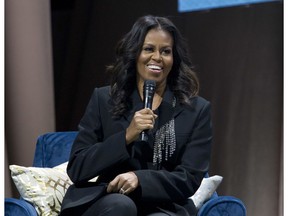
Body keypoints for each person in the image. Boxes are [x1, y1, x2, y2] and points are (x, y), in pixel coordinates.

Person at [60, 15, 212, 216]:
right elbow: (78, 168)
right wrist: (126, 136)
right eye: (148, 49)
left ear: (174, 59)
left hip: (163, 206)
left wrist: (140, 178)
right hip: (109, 200)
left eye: (165, 51)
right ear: (135, 53)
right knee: (122, 206)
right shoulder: (104, 99)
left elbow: (190, 177)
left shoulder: (196, 110)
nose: (157, 57)